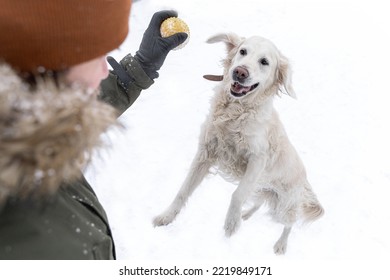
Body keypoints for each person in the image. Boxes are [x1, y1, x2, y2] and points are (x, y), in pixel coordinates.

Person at [0, 0, 188, 259]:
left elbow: (59, 115)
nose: (103, 71)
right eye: (95, 55)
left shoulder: (20, 131)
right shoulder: (34, 247)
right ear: (51, 60)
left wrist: (139, 69)